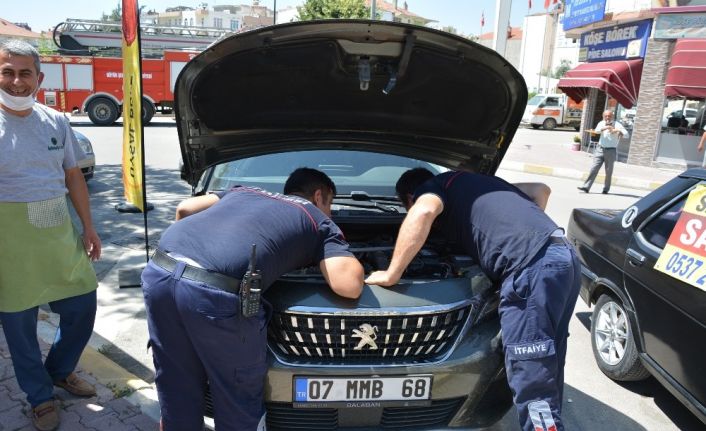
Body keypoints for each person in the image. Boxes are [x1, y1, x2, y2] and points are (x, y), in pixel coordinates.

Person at [141, 167, 364, 431]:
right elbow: (348, 285)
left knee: (177, 384)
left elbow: (185, 209)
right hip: (213, 294)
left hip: (159, 272)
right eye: (331, 204)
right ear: (319, 196)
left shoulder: (242, 192)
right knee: (238, 398)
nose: (331, 212)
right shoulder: (316, 219)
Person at [365, 168, 581, 431]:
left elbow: (423, 212)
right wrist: (524, 233)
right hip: (562, 256)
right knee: (548, 359)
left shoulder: (434, 187)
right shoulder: (478, 183)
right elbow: (540, 190)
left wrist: (391, 273)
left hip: (531, 270)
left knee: (530, 368)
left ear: (411, 197)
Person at [0, 40, 101, 431]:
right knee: (19, 324)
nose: (16, 81)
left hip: (57, 229)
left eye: (25, 73)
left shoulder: (56, 120)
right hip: (8, 238)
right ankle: (39, 397)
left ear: (39, 79)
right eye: (7, 71)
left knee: (81, 305)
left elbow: (72, 175)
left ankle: (60, 370)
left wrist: (89, 227)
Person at [577, 110, 629, 194]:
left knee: (608, 171)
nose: (607, 118)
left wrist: (617, 130)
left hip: (611, 150)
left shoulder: (617, 124)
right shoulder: (601, 123)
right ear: (603, 116)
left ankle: (606, 189)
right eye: (606, 116)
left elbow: (626, 135)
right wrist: (606, 127)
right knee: (594, 168)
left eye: (609, 116)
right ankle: (586, 187)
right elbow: (596, 131)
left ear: (612, 116)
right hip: (600, 149)